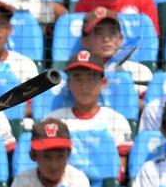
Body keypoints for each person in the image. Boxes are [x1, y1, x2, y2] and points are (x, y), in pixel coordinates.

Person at [48, 50, 133, 179]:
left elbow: (119, 172)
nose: (84, 86)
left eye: (91, 78)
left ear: (103, 83)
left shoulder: (116, 120)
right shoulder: (54, 120)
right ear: (69, 83)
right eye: (78, 78)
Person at [80, 6, 152, 98]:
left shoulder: (139, 71)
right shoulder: (77, 74)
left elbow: (148, 107)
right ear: (85, 41)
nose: (106, 39)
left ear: (120, 39)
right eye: (98, 33)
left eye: (112, 32)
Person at [9, 118, 92, 187]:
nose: (54, 165)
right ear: (33, 155)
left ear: (69, 154)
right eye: (47, 157)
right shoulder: (22, 181)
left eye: (60, 156)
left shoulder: (77, 180)